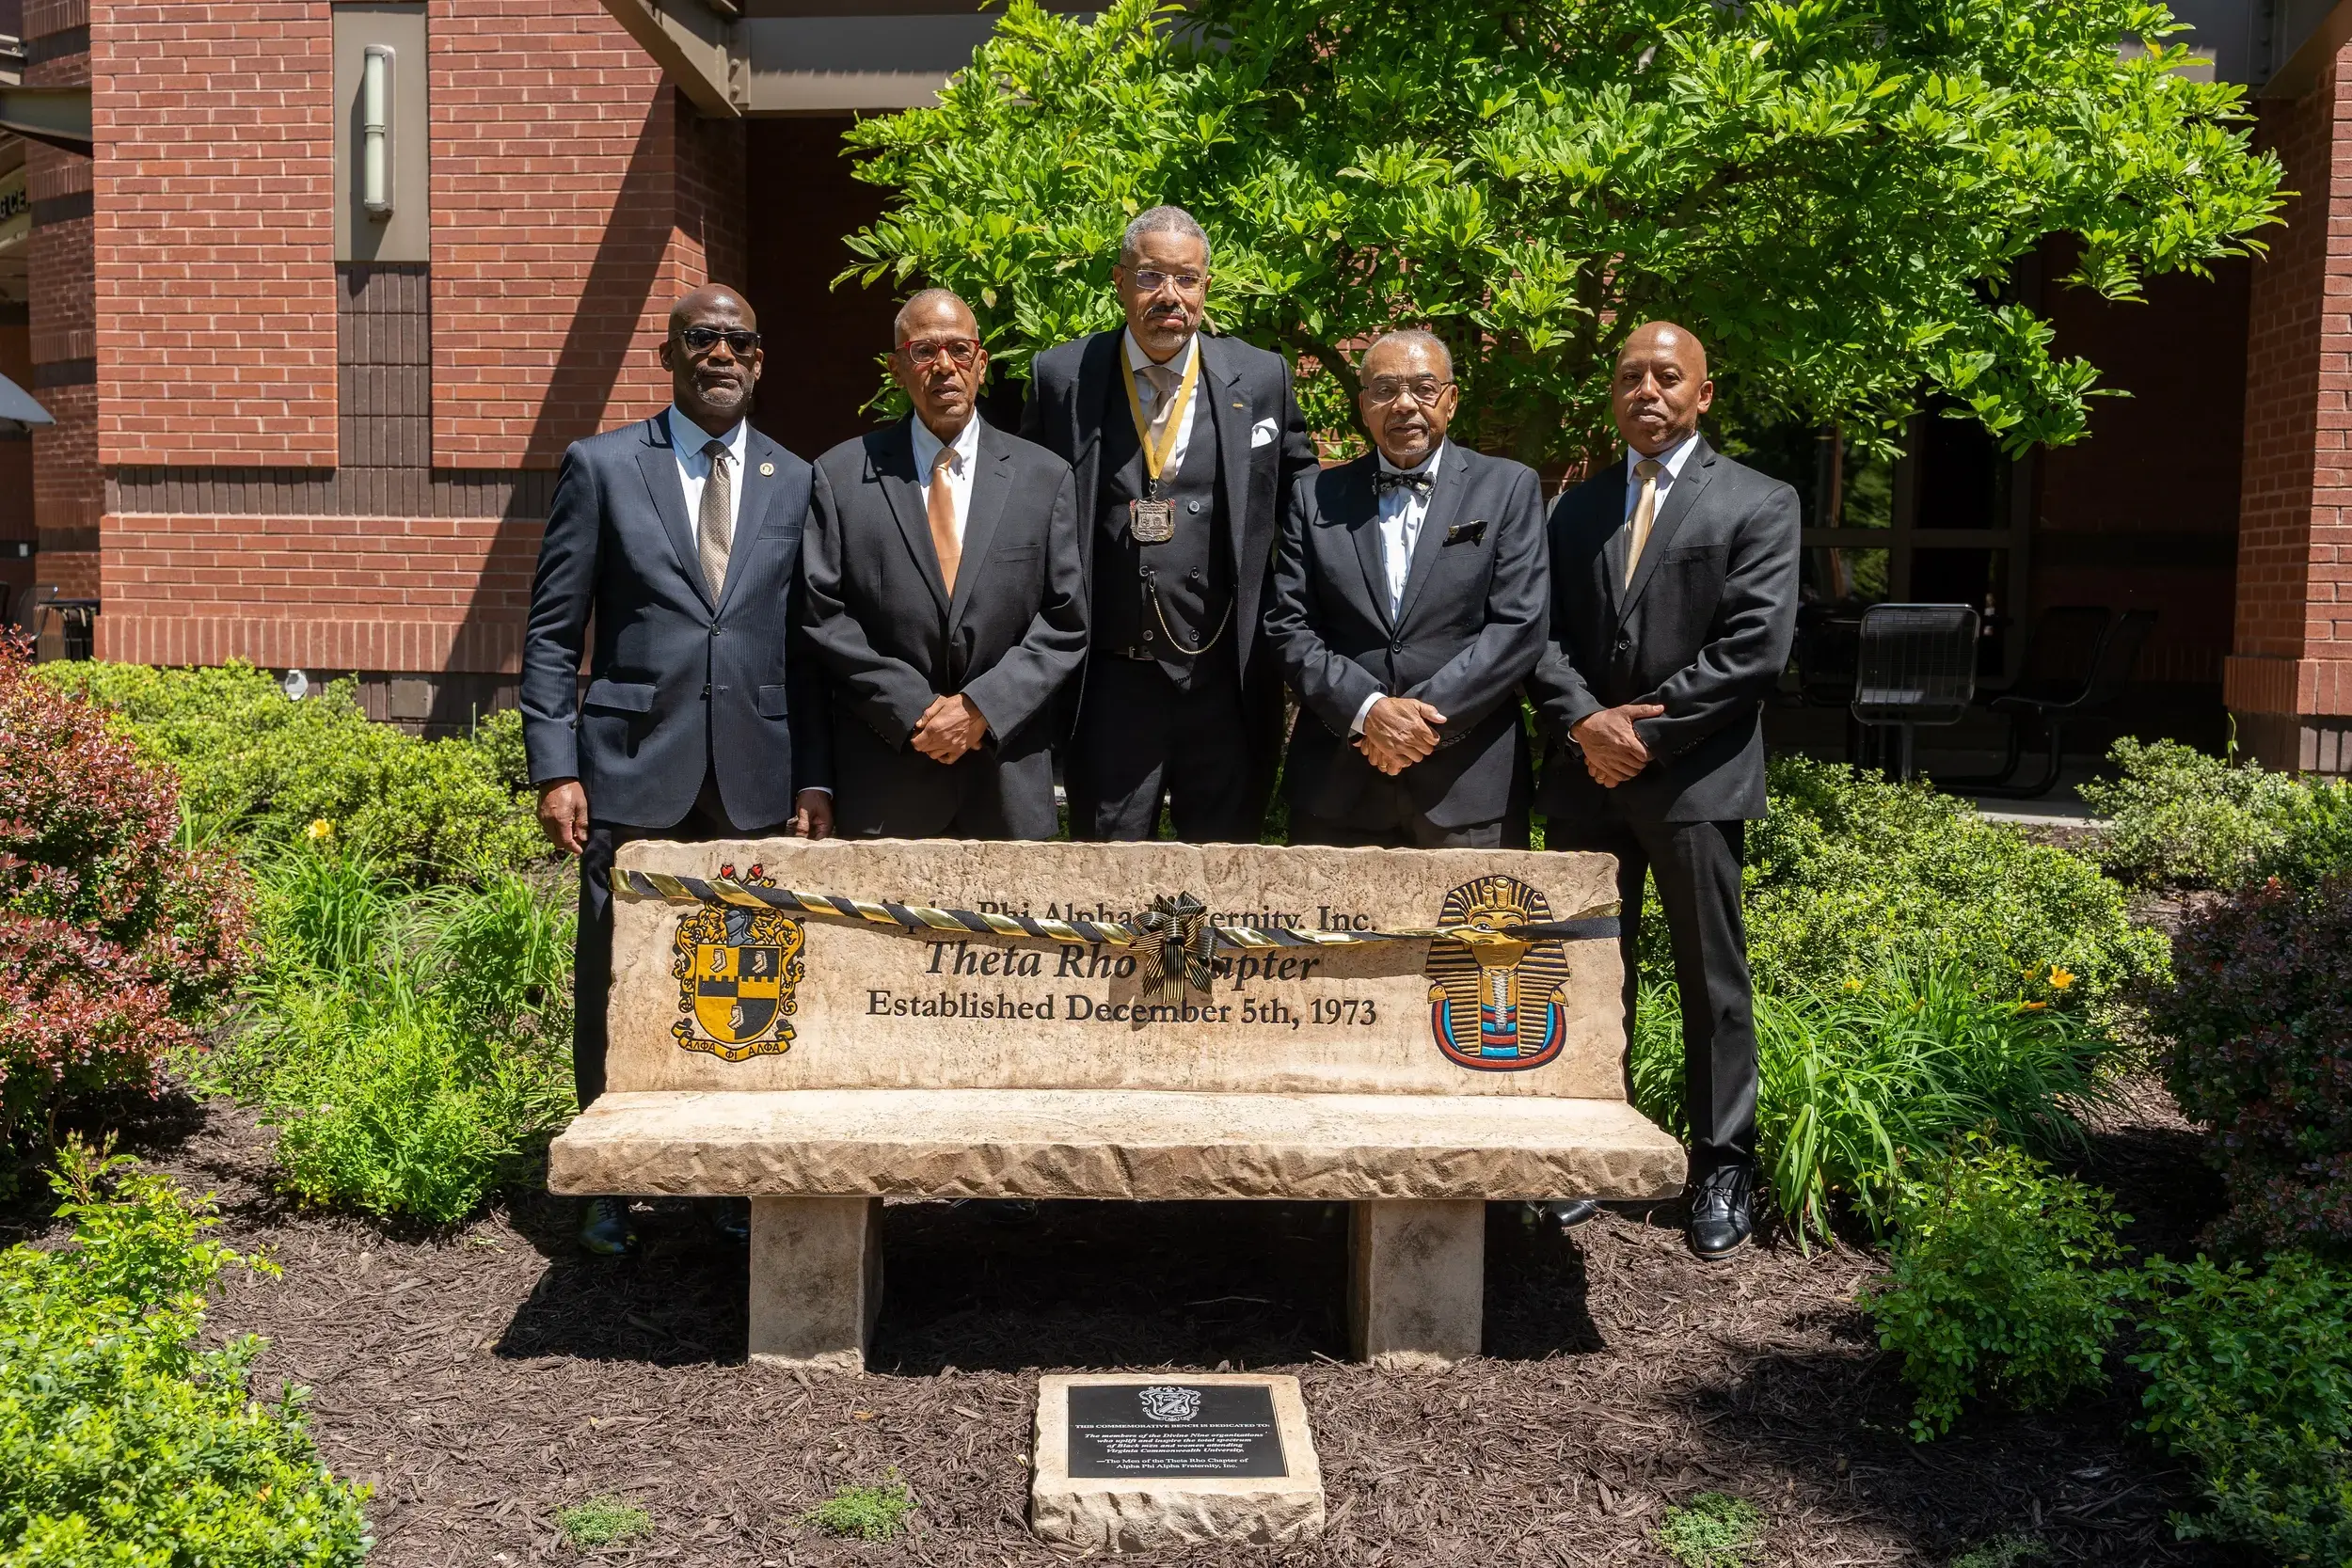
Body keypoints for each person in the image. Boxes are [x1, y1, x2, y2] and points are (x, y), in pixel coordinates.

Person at [520, 284, 833, 1258]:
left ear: (760, 358)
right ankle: (610, 1180)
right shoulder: (605, 466)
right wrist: (554, 763)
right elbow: (549, 630)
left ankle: (727, 1174)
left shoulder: (795, 476)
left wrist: (813, 777)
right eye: (703, 338)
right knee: (617, 972)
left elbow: (807, 645)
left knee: (739, 976)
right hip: (629, 767)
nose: (722, 355)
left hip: (752, 777)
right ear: (669, 353)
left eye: (740, 340)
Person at [1527, 321, 1799, 1261]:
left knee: (1709, 979)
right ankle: (1581, 1152)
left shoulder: (1759, 503)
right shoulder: (1574, 510)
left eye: (1666, 376)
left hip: (1694, 779)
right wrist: (1581, 723)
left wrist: (1636, 732)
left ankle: (1721, 1163)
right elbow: (1540, 637)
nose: (1647, 390)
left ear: (1702, 393)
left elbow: (1752, 650)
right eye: (1630, 375)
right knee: (1583, 975)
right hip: (1584, 781)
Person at [1021, 204, 1318, 843]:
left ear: (1206, 288)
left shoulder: (1262, 377)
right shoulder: (1062, 376)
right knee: (1110, 885)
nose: (1170, 297)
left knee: (1222, 880)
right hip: (1110, 685)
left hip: (1224, 683)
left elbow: (1303, 503)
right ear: (1119, 280)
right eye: (1152, 277)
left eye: (1187, 280)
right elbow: (1028, 510)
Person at [803, 289, 1088, 838]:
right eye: (923, 351)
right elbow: (823, 616)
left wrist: (981, 709)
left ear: (981, 364)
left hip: (1006, 779)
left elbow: (1065, 622)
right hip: (890, 777)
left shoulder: (1044, 478)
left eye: (959, 350)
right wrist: (913, 709)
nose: (943, 367)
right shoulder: (839, 477)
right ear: (896, 368)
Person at [1263, 329, 1548, 847]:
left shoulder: (1508, 487)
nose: (1405, 406)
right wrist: (1369, 711)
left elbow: (1519, 626)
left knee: (1474, 930)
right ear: (1364, 406)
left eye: (1423, 388)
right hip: (1337, 786)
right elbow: (1288, 625)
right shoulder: (1315, 496)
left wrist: (1418, 724)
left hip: (1468, 786)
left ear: (1452, 400)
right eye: (1385, 390)